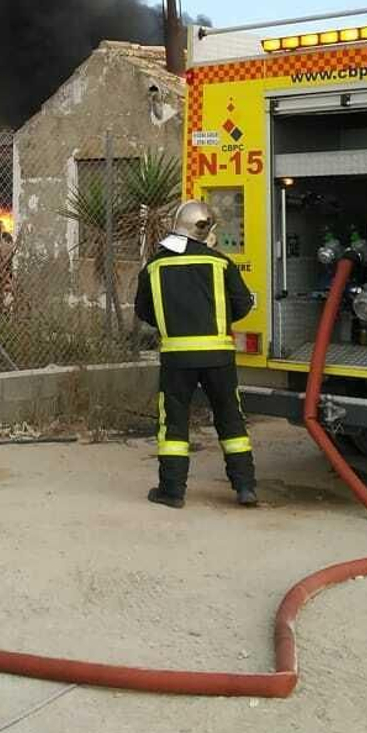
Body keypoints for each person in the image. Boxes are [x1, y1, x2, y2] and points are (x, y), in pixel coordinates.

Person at [133, 199, 258, 509]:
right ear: (205, 231)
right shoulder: (220, 262)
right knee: (231, 420)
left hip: (177, 359)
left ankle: (172, 492)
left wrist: (174, 322)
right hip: (219, 357)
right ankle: (245, 488)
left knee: (173, 424)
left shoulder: (154, 265)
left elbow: (144, 311)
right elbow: (243, 303)